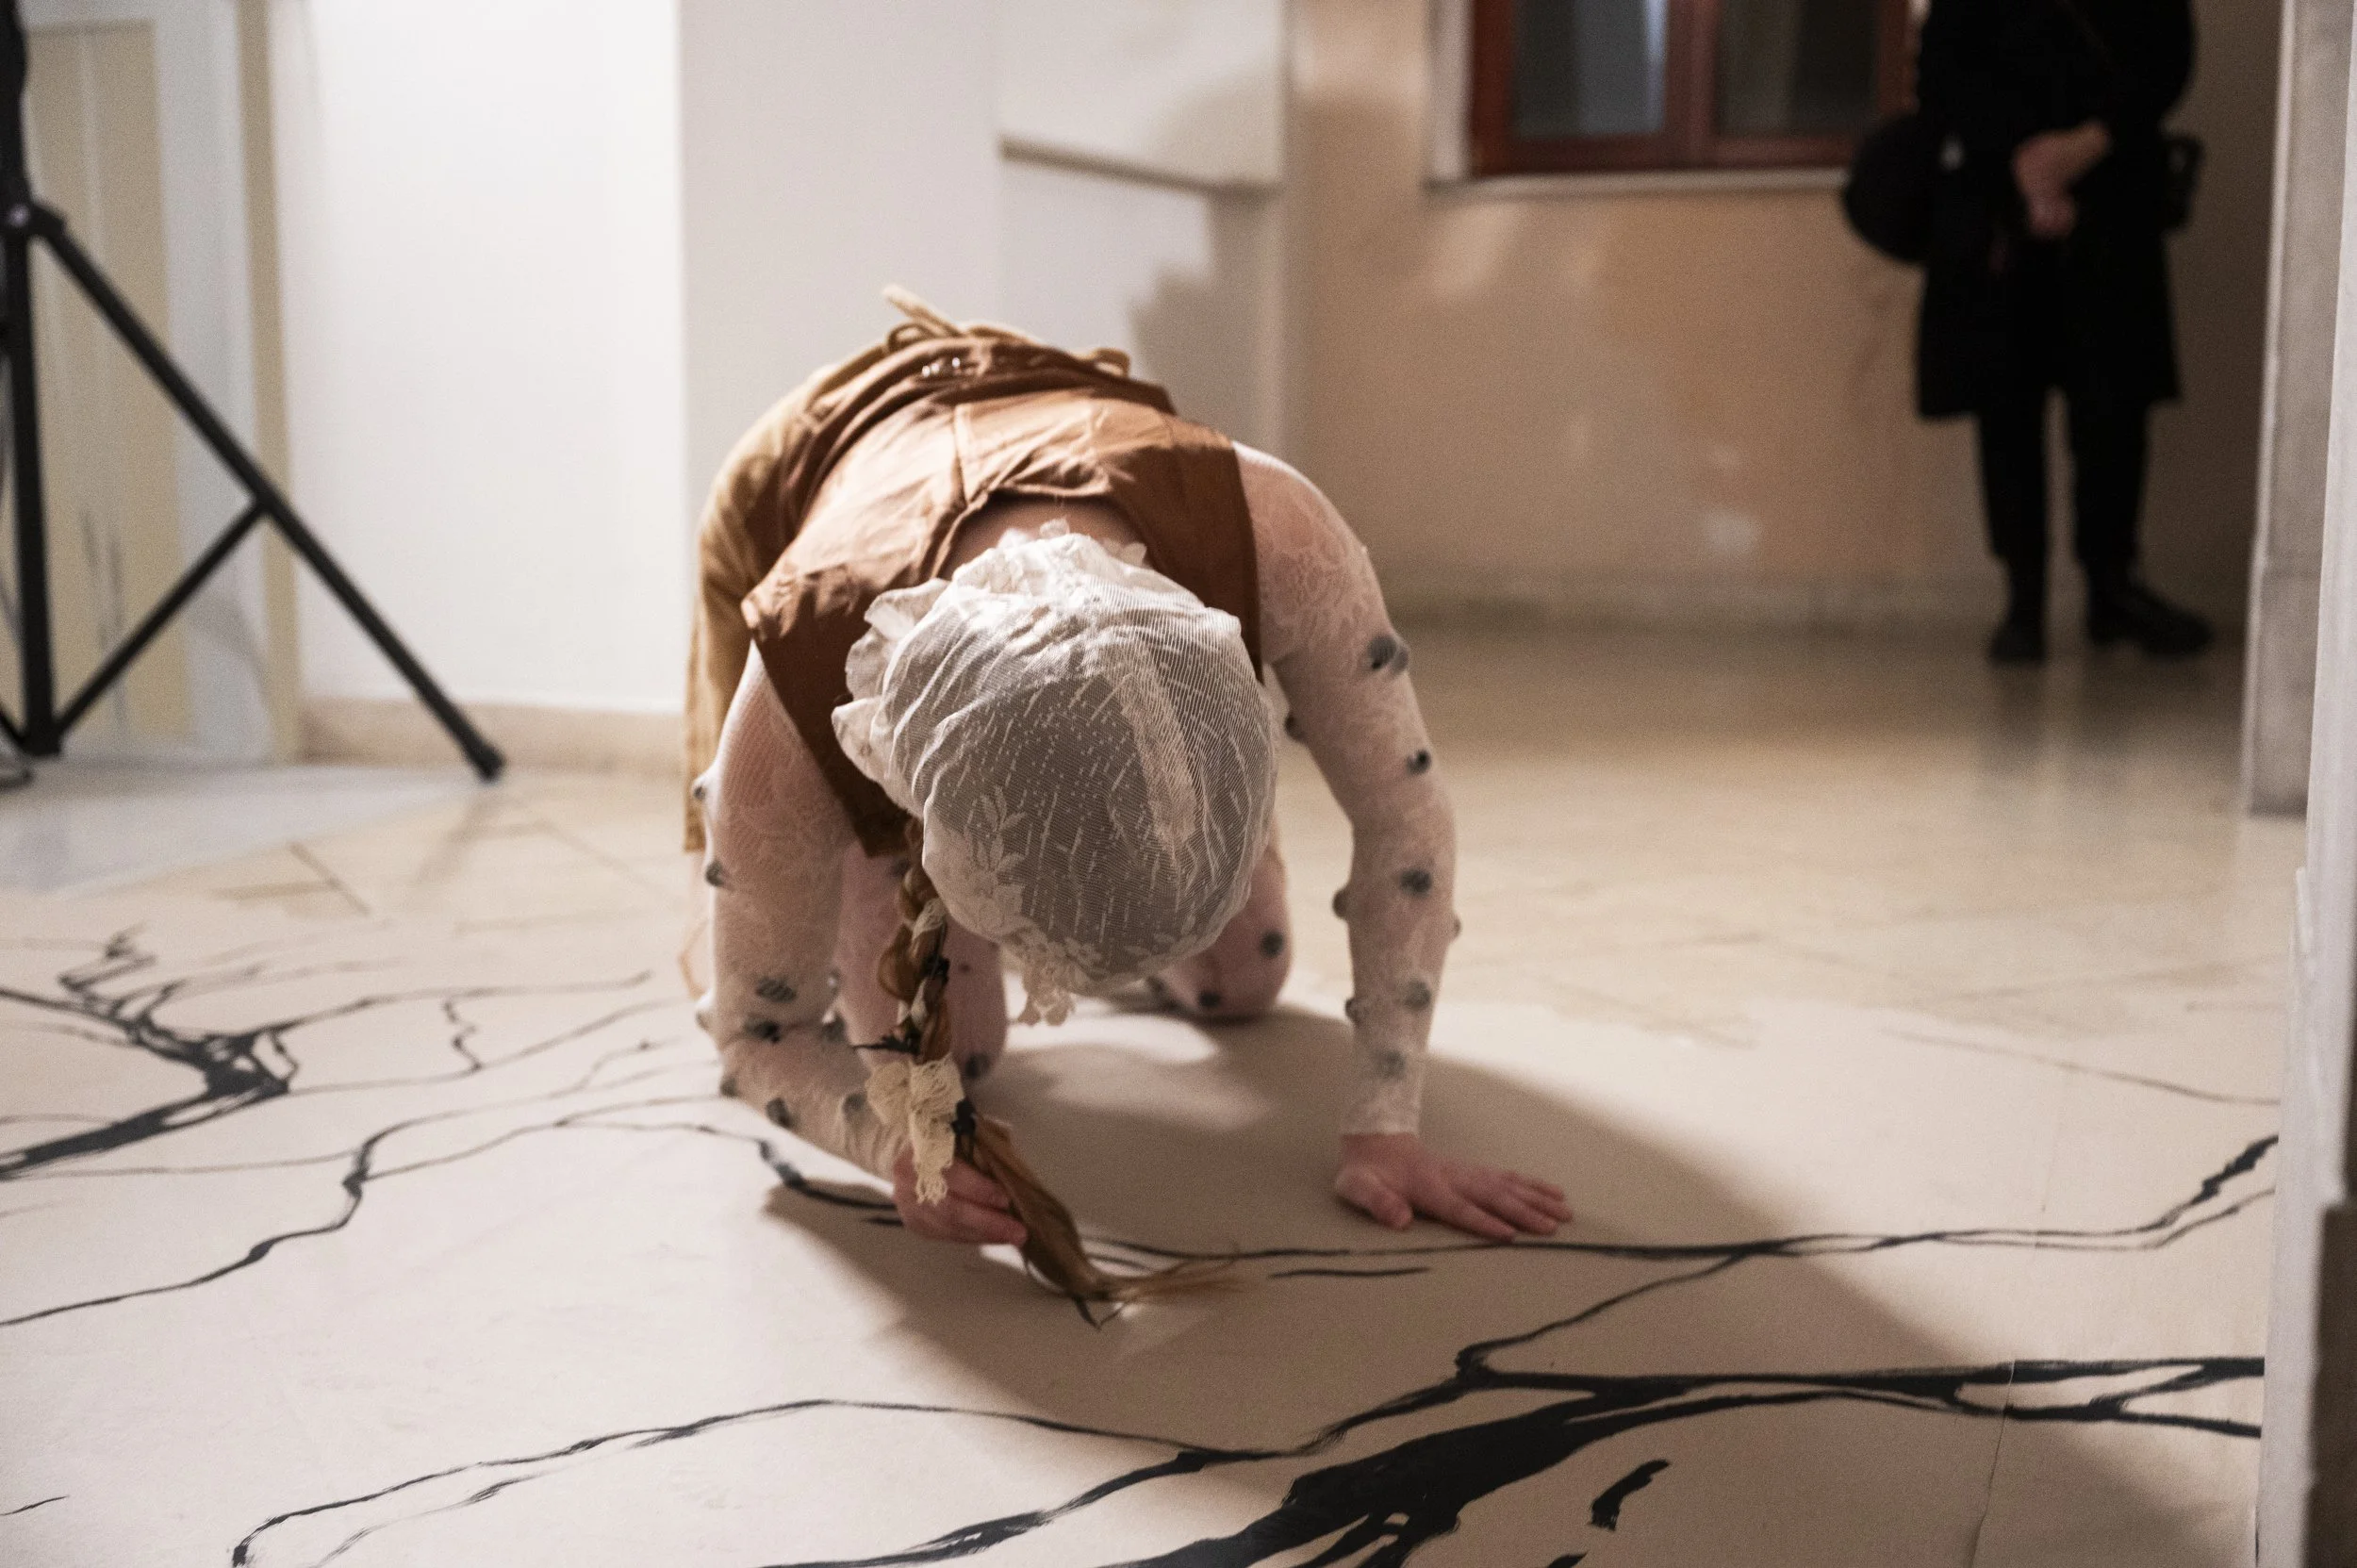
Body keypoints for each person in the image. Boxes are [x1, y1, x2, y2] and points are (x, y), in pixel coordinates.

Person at [684, 294, 1568, 1297]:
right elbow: (761, 1033)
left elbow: (1402, 812)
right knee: (954, 1062)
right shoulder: (801, 677)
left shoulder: (1273, 534)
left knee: (1244, 979)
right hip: (807, 470)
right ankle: (888, 855)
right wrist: (892, 1140)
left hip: (1061, 423)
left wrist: (1387, 1120)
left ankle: (1138, 806)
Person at [1915, 0, 2212, 665]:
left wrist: (2088, 144)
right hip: (2000, 213)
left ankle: (2112, 589)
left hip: (2113, 203)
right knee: (2007, 410)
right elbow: (1941, 72)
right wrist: (2024, 163)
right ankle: (2022, 600)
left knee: (2115, 410)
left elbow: (2166, 57)